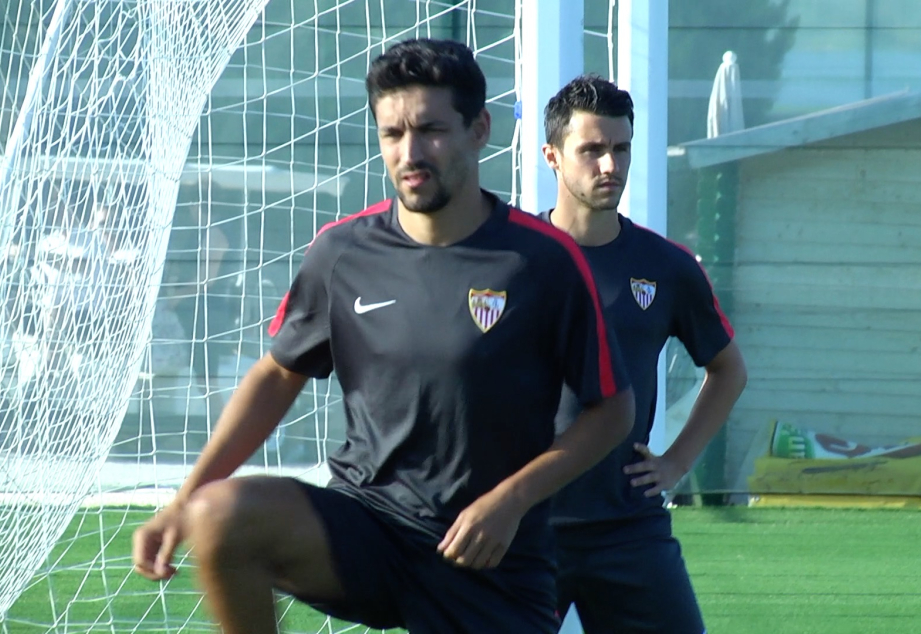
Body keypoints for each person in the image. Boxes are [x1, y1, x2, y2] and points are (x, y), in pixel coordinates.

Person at [131, 40, 635, 634]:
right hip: (366, 526)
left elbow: (612, 411)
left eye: (430, 130)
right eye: (392, 133)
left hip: (488, 556)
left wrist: (512, 501)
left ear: (479, 129)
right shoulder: (342, 252)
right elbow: (277, 373)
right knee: (219, 514)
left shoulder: (543, 260)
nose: (410, 152)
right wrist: (185, 497)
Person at [539, 75, 748, 633]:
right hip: (527, 523)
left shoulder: (666, 266)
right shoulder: (512, 260)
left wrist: (676, 462)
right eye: (592, 150)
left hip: (627, 525)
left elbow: (727, 370)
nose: (610, 165)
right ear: (552, 157)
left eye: (621, 148)